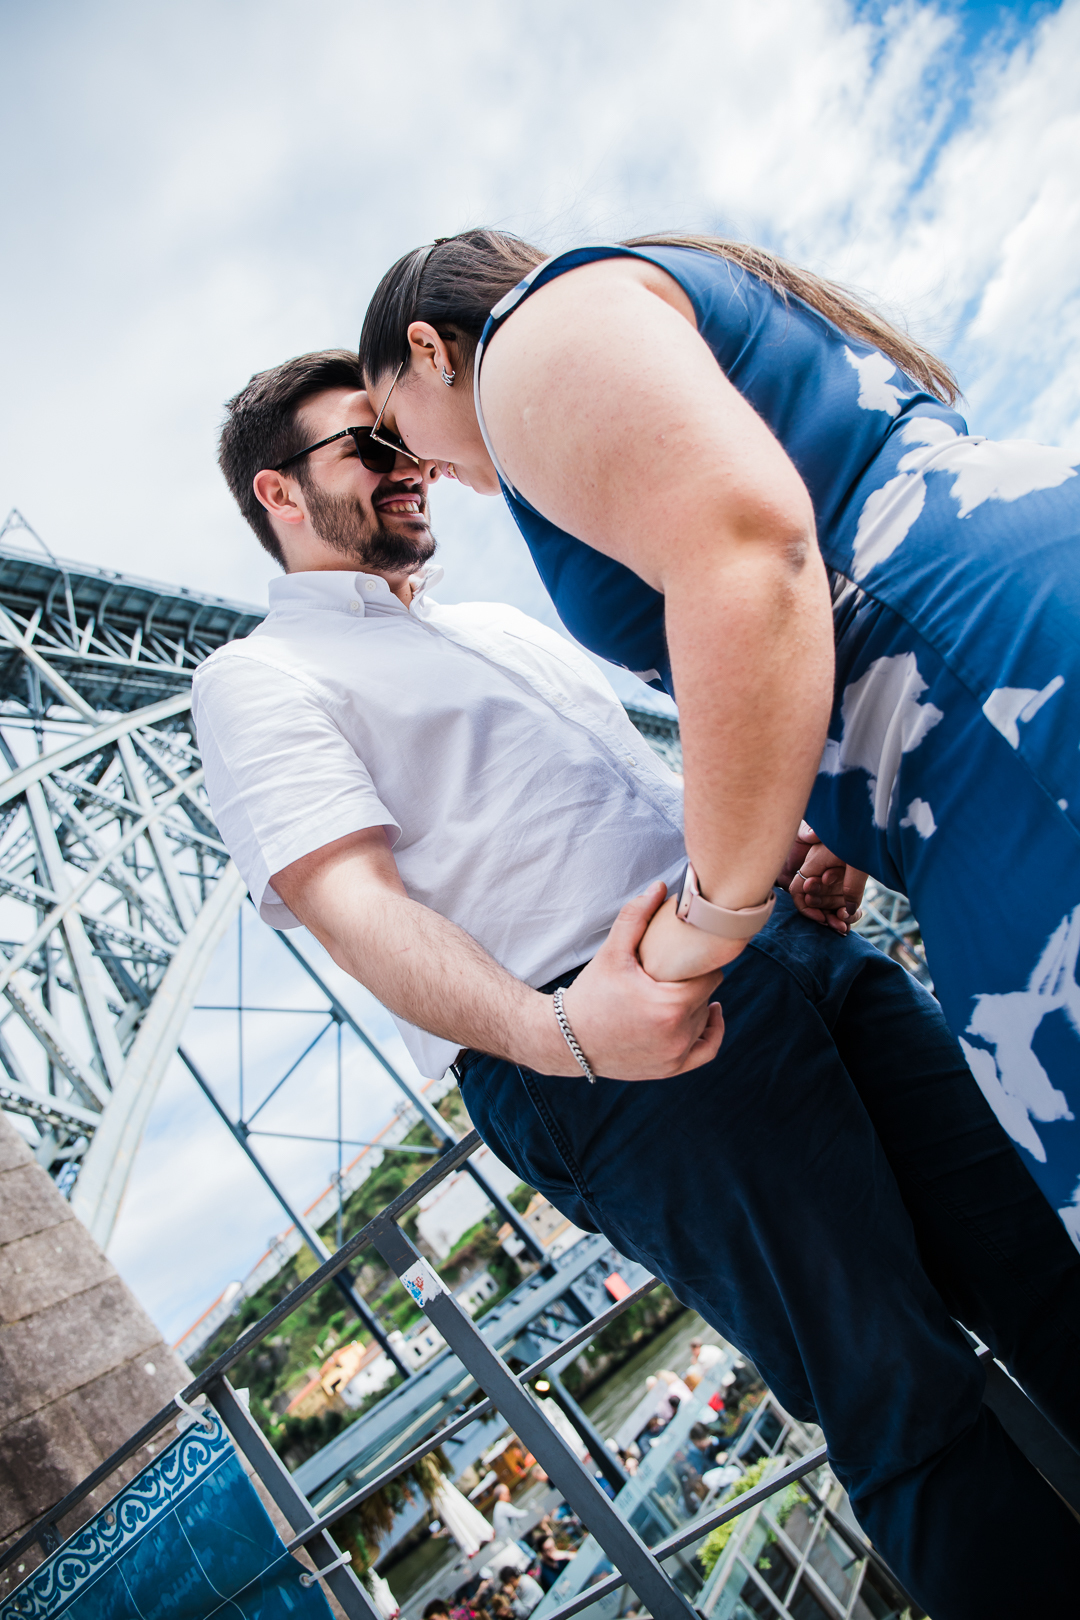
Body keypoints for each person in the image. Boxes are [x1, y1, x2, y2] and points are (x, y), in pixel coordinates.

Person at [194, 348, 1080, 1618]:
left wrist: (796, 846)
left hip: (782, 949)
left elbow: (657, 802)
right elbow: (354, 910)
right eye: (367, 448)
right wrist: (558, 1032)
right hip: (625, 1054)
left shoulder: (492, 626)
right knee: (900, 1396)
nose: (410, 468)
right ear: (280, 497)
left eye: (408, 441)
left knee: (1044, 1257)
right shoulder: (256, 680)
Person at [358, 231, 1080, 1244]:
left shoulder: (529, 339)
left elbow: (749, 555)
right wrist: (841, 808)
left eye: (396, 423)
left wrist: (711, 919)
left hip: (990, 706)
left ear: (431, 348)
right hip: (990, 674)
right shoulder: (630, 295)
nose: (418, 463)